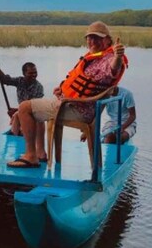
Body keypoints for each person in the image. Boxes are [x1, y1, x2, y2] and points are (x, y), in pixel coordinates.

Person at [7, 21, 127, 168]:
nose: (92, 41)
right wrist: (62, 90)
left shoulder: (108, 59)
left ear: (108, 40)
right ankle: (40, 153)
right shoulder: (93, 57)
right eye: (89, 37)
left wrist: (118, 56)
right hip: (73, 104)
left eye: (97, 37)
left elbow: (113, 69)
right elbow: (80, 82)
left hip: (76, 109)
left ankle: (31, 155)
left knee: (25, 107)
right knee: (36, 107)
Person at [0, 61, 44, 136]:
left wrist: (17, 110)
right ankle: (15, 133)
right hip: (21, 113)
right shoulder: (20, 81)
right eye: (30, 73)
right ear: (24, 74)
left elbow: (33, 107)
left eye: (35, 73)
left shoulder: (39, 87)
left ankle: (18, 131)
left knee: (17, 117)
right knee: (16, 117)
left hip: (33, 115)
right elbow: (5, 80)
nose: (34, 75)